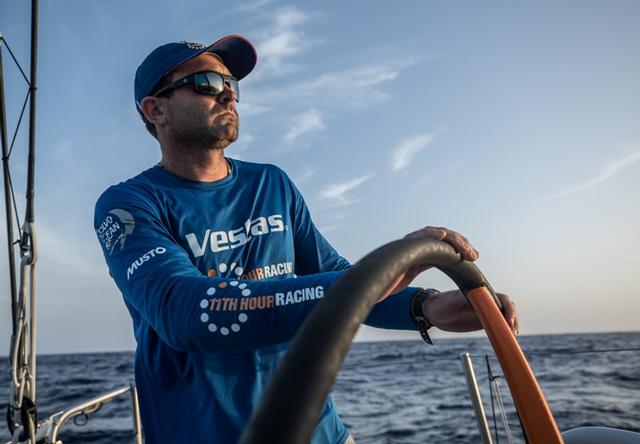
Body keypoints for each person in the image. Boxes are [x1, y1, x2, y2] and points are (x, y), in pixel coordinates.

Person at [93, 35, 519, 444]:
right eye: (206, 83)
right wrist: (380, 274)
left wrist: (423, 306)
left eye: (231, 85)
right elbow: (186, 313)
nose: (227, 95)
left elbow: (331, 275)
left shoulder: (272, 184)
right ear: (155, 110)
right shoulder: (127, 205)